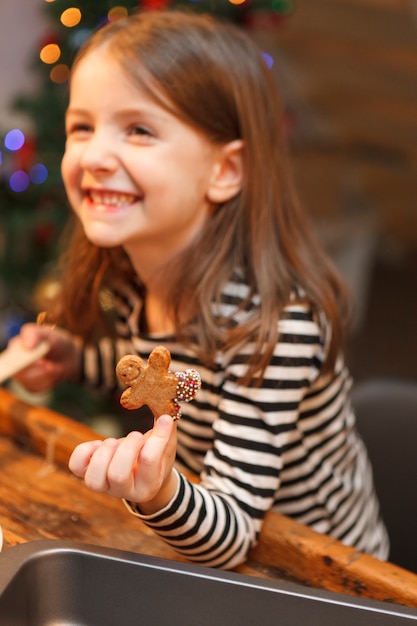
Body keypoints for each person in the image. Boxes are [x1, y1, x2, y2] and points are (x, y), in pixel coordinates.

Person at [12, 10, 389, 569]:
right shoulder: (137, 275)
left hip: (313, 579)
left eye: (138, 130)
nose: (94, 155)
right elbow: (183, 378)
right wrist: (79, 361)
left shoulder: (278, 326)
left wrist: (158, 492)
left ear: (225, 170)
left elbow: (234, 533)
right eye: (81, 127)